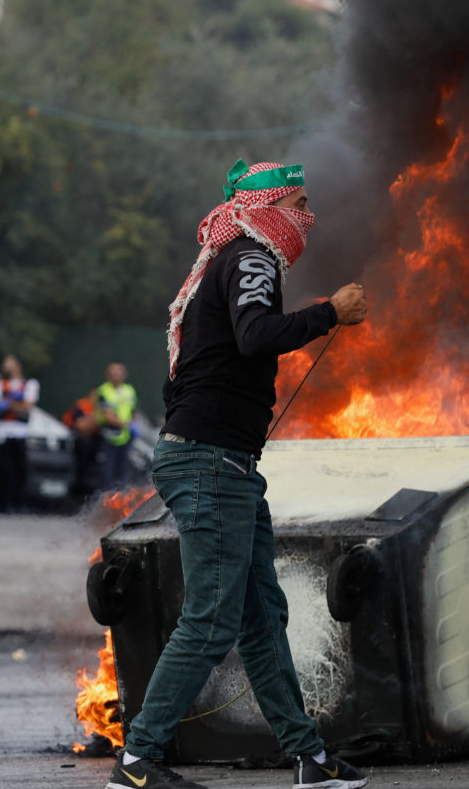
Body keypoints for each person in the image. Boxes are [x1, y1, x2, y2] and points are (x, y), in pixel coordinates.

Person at [106, 160, 369, 789]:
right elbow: (255, 336)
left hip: (222, 463)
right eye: (300, 203)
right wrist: (328, 312)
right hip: (211, 464)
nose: (309, 216)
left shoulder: (225, 264)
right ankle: (139, 759)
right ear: (268, 208)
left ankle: (308, 757)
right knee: (213, 616)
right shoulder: (252, 258)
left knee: (259, 615)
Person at [0, 354, 39, 512]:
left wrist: (8, 402)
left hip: (20, 431)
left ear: (17, 365)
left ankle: (19, 503)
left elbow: (27, 406)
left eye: (8, 362)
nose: (5, 365)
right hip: (3, 431)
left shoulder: (29, 384)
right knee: (3, 468)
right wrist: (16, 403)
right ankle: (1, 503)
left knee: (20, 469)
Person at [93, 362, 138, 490]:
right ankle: (105, 504)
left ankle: (121, 503)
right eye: (113, 373)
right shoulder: (103, 390)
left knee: (123, 473)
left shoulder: (129, 390)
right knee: (106, 473)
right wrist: (126, 424)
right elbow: (107, 415)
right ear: (107, 375)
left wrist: (133, 423)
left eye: (119, 372)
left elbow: (134, 410)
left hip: (126, 437)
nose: (116, 375)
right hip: (108, 437)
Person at [62, 393, 100, 498]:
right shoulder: (83, 405)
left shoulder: (103, 407)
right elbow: (79, 425)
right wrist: (94, 422)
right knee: (81, 473)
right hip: (81, 445)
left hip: (95, 446)